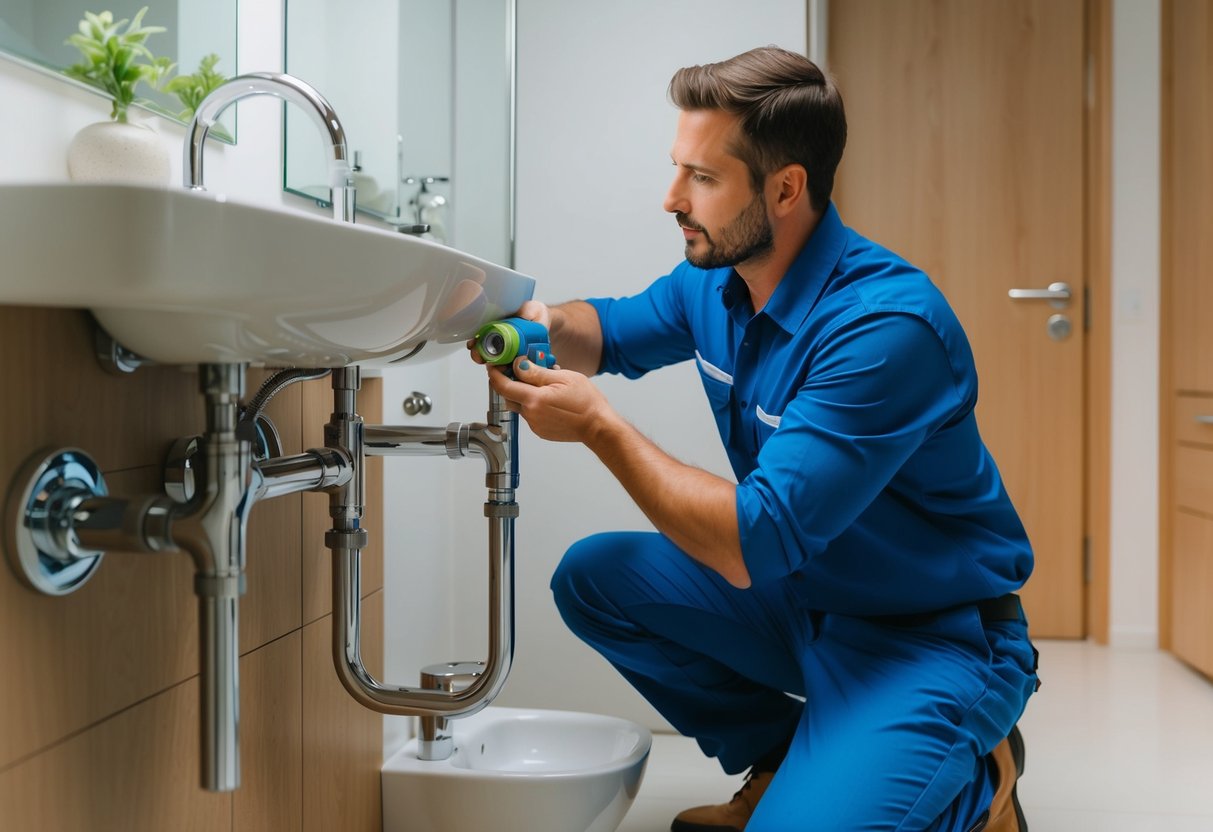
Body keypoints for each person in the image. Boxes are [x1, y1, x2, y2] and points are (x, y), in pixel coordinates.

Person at [475, 46, 1040, 831]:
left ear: (784, 188)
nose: (670, 198)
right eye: (678, 169)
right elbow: (602, 331)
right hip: (804, 600)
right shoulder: (716, 280)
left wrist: (600, 427)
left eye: (701, 179)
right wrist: (534, 324)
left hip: (926, 637)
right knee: (595, 578)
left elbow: (752, 539)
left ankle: (977, 778)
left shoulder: (884, 328)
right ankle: (781, 763)